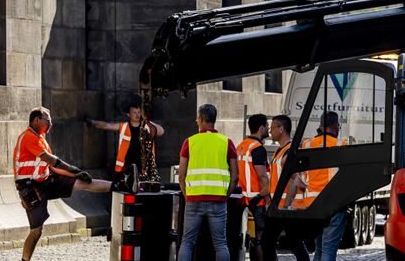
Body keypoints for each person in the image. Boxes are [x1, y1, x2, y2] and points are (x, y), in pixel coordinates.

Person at [14, 107, 112, 261]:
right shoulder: (28, 137)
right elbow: (52, 161)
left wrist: (76, 175)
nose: (50, 123)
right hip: (30, 187)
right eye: (48, 120)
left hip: (46, 180)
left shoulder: (41, 140)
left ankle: (118, 185)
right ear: (36, 120)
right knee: (36, 230)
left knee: (82, 183)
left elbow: (53, 168)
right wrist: (75, 170)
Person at [177, 104, 239, 261]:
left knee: (187, 242)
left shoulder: (189, 142)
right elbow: (235, 175)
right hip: (218, 200)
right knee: (220, 243)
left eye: (197, 118)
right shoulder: (227, 142)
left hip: (193, 200)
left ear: (201, 119)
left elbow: (181, 175)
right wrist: (226, 195)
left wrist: (187, 196)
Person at [262, 115, 309, 261]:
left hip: (286, 208)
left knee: (290, 243)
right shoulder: (279, 151)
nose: (270, 130)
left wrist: (286, 206)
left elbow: (295, 181)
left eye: (273, 127)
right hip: (278, 206)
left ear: (281, 129)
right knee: (271, 241)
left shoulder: (289, 152)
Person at [86, 97, 165, 185]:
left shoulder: (147, 127)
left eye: (139, 112)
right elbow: (107, 126)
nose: (137, 115)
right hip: (126, 167)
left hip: (144, 167)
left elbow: (161, 131)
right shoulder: (124, 127)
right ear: (129, 114)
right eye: (134, 112)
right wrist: (92, 122)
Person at [306, 111, 348, 261]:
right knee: (328, 249)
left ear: (321, 125)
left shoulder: (307, 144)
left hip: (312, 204)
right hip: (333, 204)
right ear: (336, 126)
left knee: (319, 248)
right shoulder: (341, 145)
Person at [236, 114, 271, 261]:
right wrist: (268, 199)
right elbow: (262, 177)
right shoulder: (258, 148)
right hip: (257, 200)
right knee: (260, 240)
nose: (268, 129)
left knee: (250, 239)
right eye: (267, 126)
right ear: (261, 128)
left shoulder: (241, 145)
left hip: (243, 199)